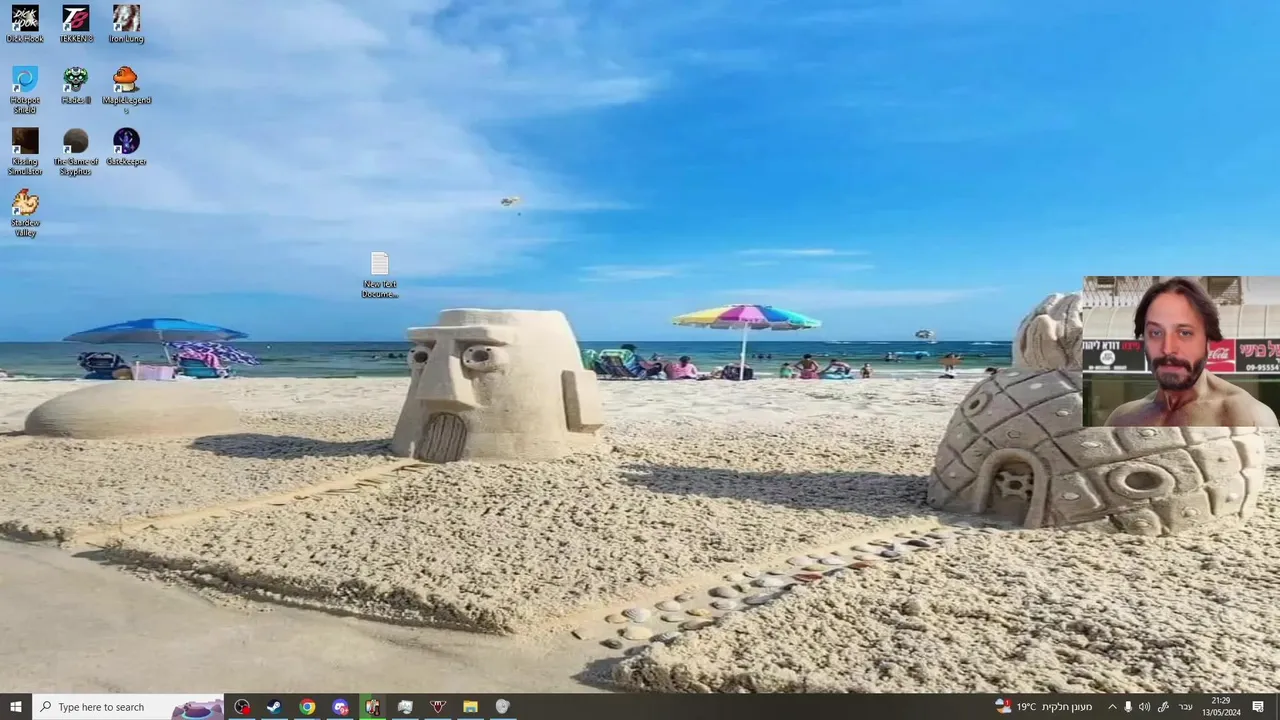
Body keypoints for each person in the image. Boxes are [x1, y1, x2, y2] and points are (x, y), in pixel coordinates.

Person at [1105, 277, 1278, 427]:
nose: (1167, 349)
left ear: (1208, 341)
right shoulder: (1122, 420)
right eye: (1156, 333)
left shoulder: (1247, 417)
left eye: (1185, 333)